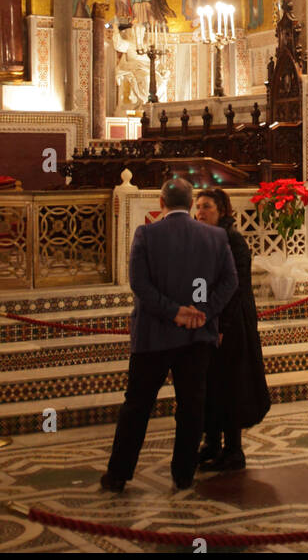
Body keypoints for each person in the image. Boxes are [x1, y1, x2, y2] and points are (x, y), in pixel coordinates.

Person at [102, 178, 238, 492]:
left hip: (153, 337)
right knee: (191, 406)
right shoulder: (216, 237)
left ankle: (118, 475)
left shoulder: (147, 234)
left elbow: (140, 284)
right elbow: (229, 283)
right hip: (197, 337)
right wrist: (203, 311)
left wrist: (173, 311)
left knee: (137, 406)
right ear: (191, 205)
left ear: (161, 203)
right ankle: (183, 474)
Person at [194, 188, 270, 471]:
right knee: (210, 382)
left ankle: (233, 449)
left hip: (233, 323)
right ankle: (211, 443)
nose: (201, 212)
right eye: (198, 207)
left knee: (231, 383)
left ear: (222, 210)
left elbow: (234, 287)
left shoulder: (233, 240)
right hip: (209, 320)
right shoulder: (202, 238)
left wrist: (223, 325)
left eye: (207, 207)